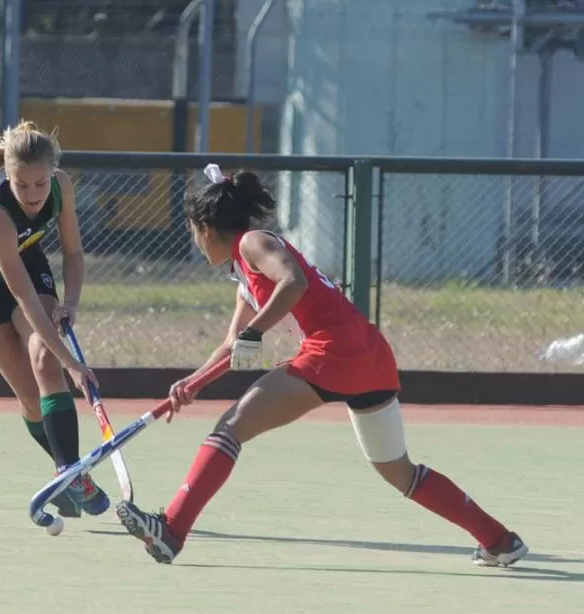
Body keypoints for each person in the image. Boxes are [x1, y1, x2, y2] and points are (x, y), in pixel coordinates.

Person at [115, 164, 528, 566]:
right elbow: (232, 344)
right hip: (370, 355)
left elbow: (294, 282)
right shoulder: (243, 276)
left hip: (333, 350)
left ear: (205, 229)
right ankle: (498, 539)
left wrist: (255, 334)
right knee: (400, 472)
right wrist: (192, 382)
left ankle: (171, 529)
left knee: (231, 428)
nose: (196, 241)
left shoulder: (252, 242)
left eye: (193, 232)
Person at [0, 120, 109, 519]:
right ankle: (72, 477)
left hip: (28, 262)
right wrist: (75, 365)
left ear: (52, 172)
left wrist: (71, 302)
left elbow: (72, 253)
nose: (33, 195)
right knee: (31, 398)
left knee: (44, 359)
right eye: (22, 185)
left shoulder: (61, 188)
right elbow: (25, 301)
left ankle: (68, 473)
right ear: (8, 174)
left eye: (40, 183)